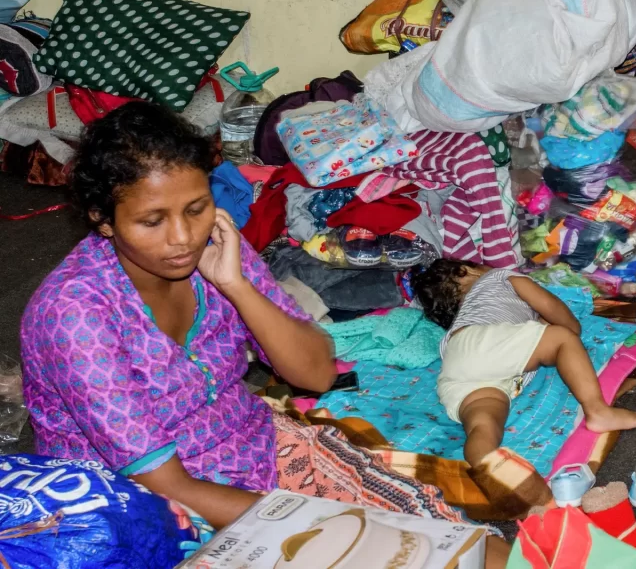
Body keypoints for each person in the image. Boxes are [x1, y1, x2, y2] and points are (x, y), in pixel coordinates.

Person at [19, 103, 490, 549]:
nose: (183, 238)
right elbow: (169, 486)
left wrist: (236, 286)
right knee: (375, 547)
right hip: (140, 503)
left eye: (196, 208)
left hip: (252, 445)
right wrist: (318, 526)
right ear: (103, 221)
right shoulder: (75, 315)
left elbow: (314, 373)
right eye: (151, 221)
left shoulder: (218, 246)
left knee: (450, 541)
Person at [412, 259, 636, 468]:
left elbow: (508, 340)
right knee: (562, 339)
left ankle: (487, 469)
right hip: (483, 342)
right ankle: (597, 410)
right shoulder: (497, 277)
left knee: (483, 424)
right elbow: (550, 306)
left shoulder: (467, 317)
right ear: (466, 271)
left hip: (455, 360)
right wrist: (567, 327)